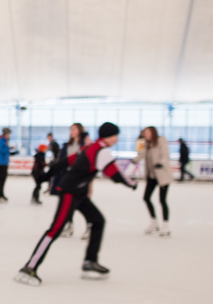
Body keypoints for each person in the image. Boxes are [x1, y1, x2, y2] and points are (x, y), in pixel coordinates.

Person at [15, 122, 137, 286]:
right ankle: (29, 267)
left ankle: (90, 261)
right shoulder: (101, 150)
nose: (117, 139)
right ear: (109, 136)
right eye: (115, 136)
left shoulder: (90, 148)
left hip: (79, 193)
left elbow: (66, 161)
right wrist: (132, 183)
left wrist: (46, 176)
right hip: (70, 192)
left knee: (97, 221)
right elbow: (115, 175)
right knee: (55, 229)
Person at [45, 123, 85, 238]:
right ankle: (68, 225)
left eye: (74, 129)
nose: (71, 132)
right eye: (70, 129)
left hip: (80, 179)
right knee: (66, 204)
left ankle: (89, 225)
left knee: (82, 204)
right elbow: (61, 162)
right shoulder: (67, 146)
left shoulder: (85, 146)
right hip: (67, 178)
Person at [135, 126, 171, 236]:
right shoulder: (147, 143)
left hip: (162, 175)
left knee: (162, 200)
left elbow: (165, 154)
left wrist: (161, 162)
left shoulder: (161, 140)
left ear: (152, 132)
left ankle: (166, 225)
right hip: (151, 176)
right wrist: (134, 160)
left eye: (146, 132)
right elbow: (143, 154)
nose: (145, 134)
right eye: (144, 133)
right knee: (146, 198)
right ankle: (154, 223)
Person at [0, 127, 16, 202]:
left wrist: (12, 152)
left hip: (5, 162)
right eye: (8, 134)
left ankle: (1, 194)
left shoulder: (5, 140)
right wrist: (9, 148)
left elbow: (6, 151)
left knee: (3, 179)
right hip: (1, 163)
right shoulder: (0, 140)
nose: (9, 136)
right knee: (1, 179)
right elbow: (2, 150)